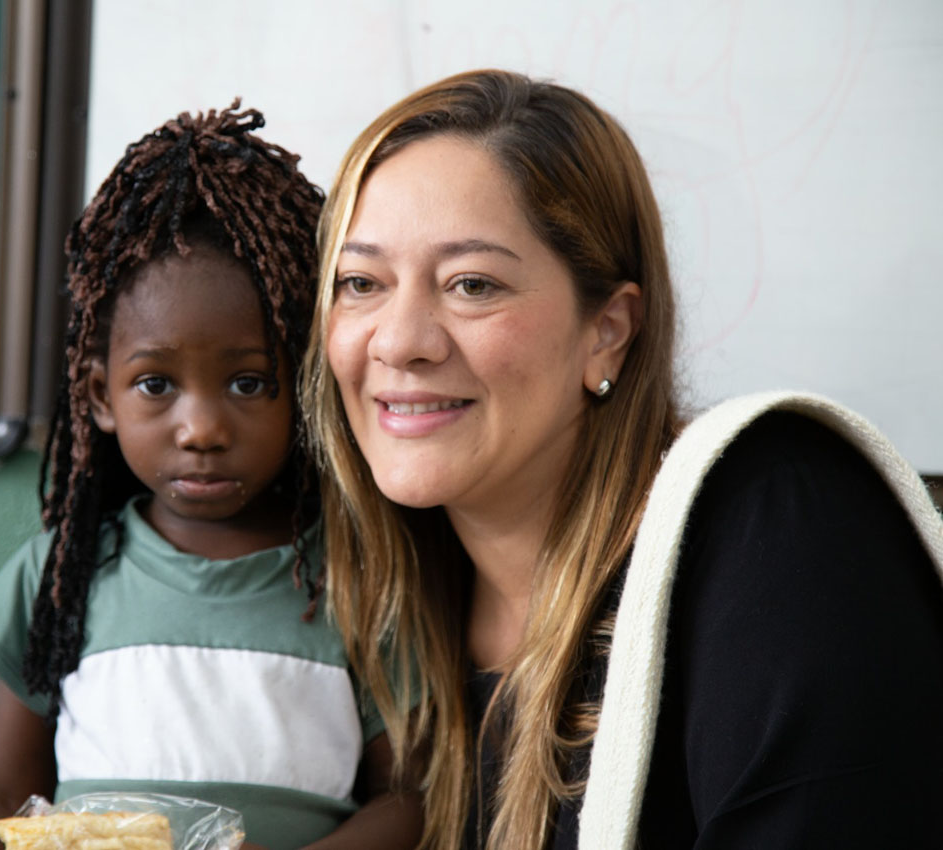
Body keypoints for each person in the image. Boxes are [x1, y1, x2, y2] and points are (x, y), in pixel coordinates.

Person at [299, 69, 943, 850]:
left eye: (471, 285)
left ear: (607, 329)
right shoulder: (385, 618)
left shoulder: (778, 526)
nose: (399, 341)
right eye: (360, 282)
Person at [0, 104, 422, 850]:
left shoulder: (363, 579)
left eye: (248, 384)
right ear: (101, 396)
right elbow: (5, 793)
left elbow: (407, 800)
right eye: (156, 385)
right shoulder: (62, 579)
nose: (201, 429)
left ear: (303, 389)